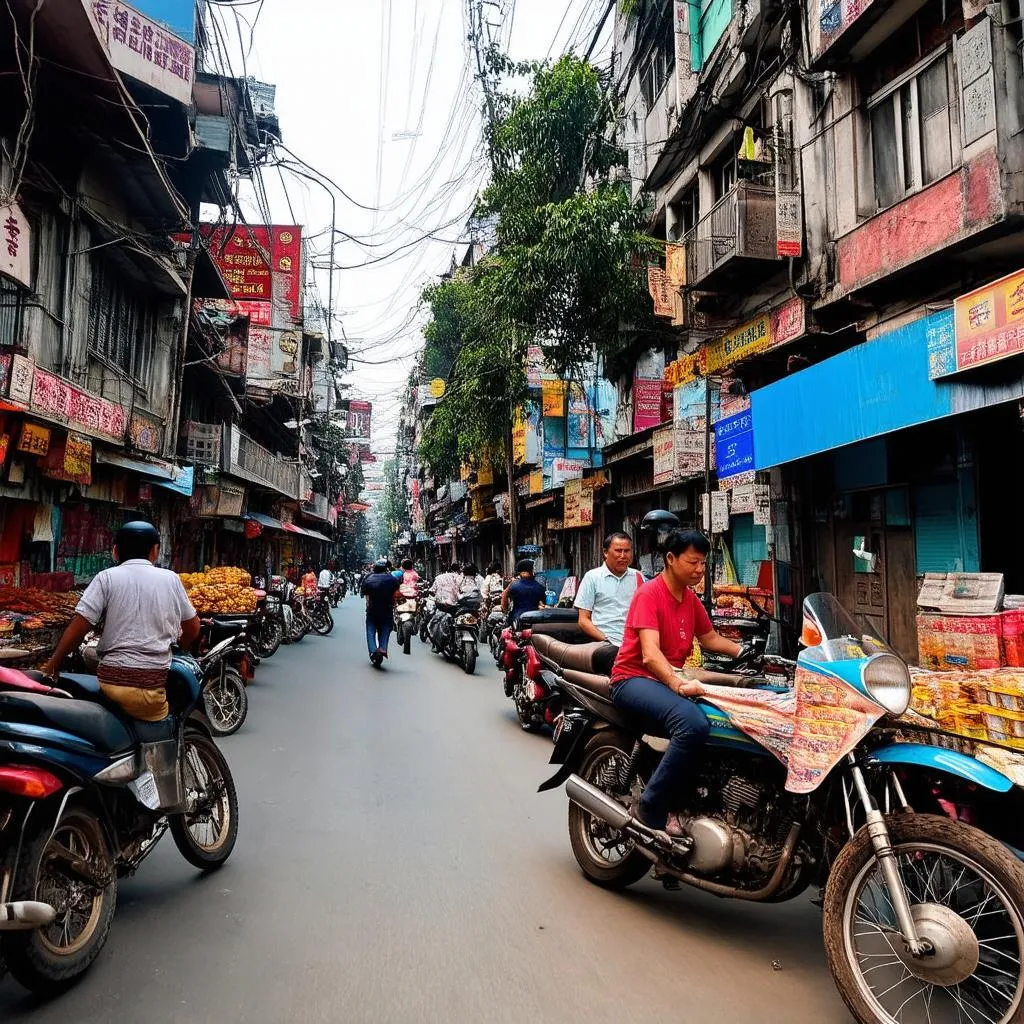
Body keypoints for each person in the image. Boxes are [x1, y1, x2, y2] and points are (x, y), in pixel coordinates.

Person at [610, 530, 742, 836]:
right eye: (693, 562)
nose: (700, 570)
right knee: (693, 724)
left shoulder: (690, 598)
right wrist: (677, 684)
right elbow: (650, 654)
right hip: (633, 679)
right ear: (671, 559)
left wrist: (744, 651)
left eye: (703, 564)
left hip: (665, 678)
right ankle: (651, 807)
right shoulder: (649, 594)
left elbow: (708, 638)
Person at [42, 521, 201, 722]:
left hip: (110, 683)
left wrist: (53, 664)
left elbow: (80, 626)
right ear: (155, 551)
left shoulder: (105, 577)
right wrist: (181, 646)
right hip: (150, 691)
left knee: (90, 654)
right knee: (170, 724)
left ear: (115, 551)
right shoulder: (171, 579)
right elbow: (192, 627)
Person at [575, 532, 645, 674]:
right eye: (618, 551)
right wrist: (607, 640)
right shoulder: (592, 577)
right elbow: (583, 620)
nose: (623, 556)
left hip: (635, 644)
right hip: (605, 644)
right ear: (606, 553)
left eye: (627, 551)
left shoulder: (638, 577)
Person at [360, 558, 401, 667]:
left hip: (372, 609)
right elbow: (397, 592)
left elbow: (363, 593)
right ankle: (382, 647)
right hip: (387, 609)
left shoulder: (368, 578)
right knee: (386, 628)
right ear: (386, 568)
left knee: (370, 629)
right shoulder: (392, 579)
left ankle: (373, 650)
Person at [501, 559, 546, 627]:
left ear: (520, 572)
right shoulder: (540, 587)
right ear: (532, 571)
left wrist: (505, 610)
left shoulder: (513, 585)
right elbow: (543, 604)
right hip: (535, 622)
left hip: (516, 620)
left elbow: (504, 597)